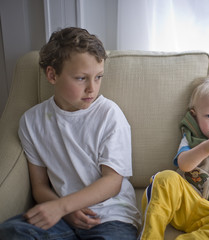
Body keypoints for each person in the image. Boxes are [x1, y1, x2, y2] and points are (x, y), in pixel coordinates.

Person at [0, 27, 141, 240]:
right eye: (81, 78)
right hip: (62, 217)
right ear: (52, 75)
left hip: (109, 216)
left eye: (98, 77)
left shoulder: (109, 115)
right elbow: (39, 186)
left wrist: (63, 206)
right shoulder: (31, 122)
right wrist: (63, 211)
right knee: (11, 231)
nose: (92, 89)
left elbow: (112, 182)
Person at [139, 77, 209, 239]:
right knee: (165, 178)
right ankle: (152, 236)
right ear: (195, 115)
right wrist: (206, 148)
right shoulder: (191, 136)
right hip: (185, 204)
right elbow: (184, 164)